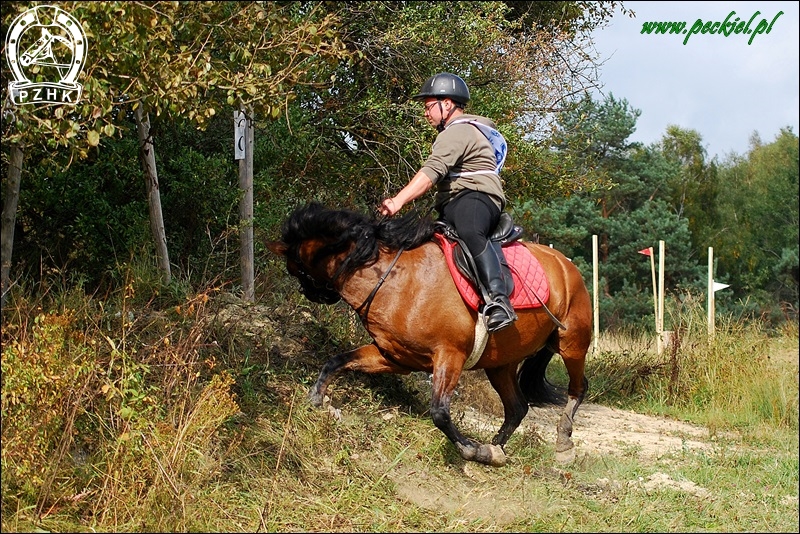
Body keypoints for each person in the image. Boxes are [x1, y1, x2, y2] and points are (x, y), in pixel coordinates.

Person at [379, 72, 517, 332]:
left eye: (429, 106)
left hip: (477, 196)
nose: (426, 113)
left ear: (448, 104)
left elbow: (431, 173)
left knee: (469, 230)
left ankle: (499, 301)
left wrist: (398, 202)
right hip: (455, 201)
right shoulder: (454, 132)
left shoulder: (460, 130)